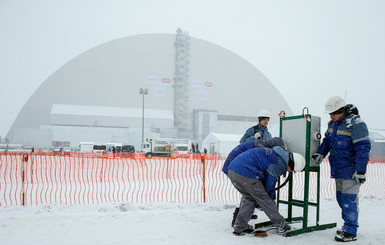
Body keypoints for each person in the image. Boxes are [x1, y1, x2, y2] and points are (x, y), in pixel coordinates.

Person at [311, 95, 371, 242]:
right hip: (338, 169)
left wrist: (361, 170)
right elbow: (327, 142)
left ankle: (351, 231)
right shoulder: (333, 124)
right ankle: (348, 225)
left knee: (349, 200)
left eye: (334, 113)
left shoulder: (356, 124)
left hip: (351, 170)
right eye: (330, 114)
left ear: (342, 110)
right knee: (341, 199)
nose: (331, 116)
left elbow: (363, 148)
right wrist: (320, 153)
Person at [227, 145, 306, 236]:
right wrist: (271, 199)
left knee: (249, 198)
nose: (290, 172)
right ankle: (281, 225)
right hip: (246, 172)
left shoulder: (277, 155)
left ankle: (240, 226)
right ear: (292, 164)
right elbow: (269, 186)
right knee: (265, 200)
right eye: (292, 170)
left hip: (233, 170)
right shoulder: (279, 164)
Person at [222, 137, 287, 227]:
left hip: (234, 167)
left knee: (249, 195)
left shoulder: (260, 144)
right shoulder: (259, 146)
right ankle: (239, 220)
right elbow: (254, 162)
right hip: (240, 168)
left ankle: (240, 222)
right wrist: (269, 197)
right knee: (255, 194)